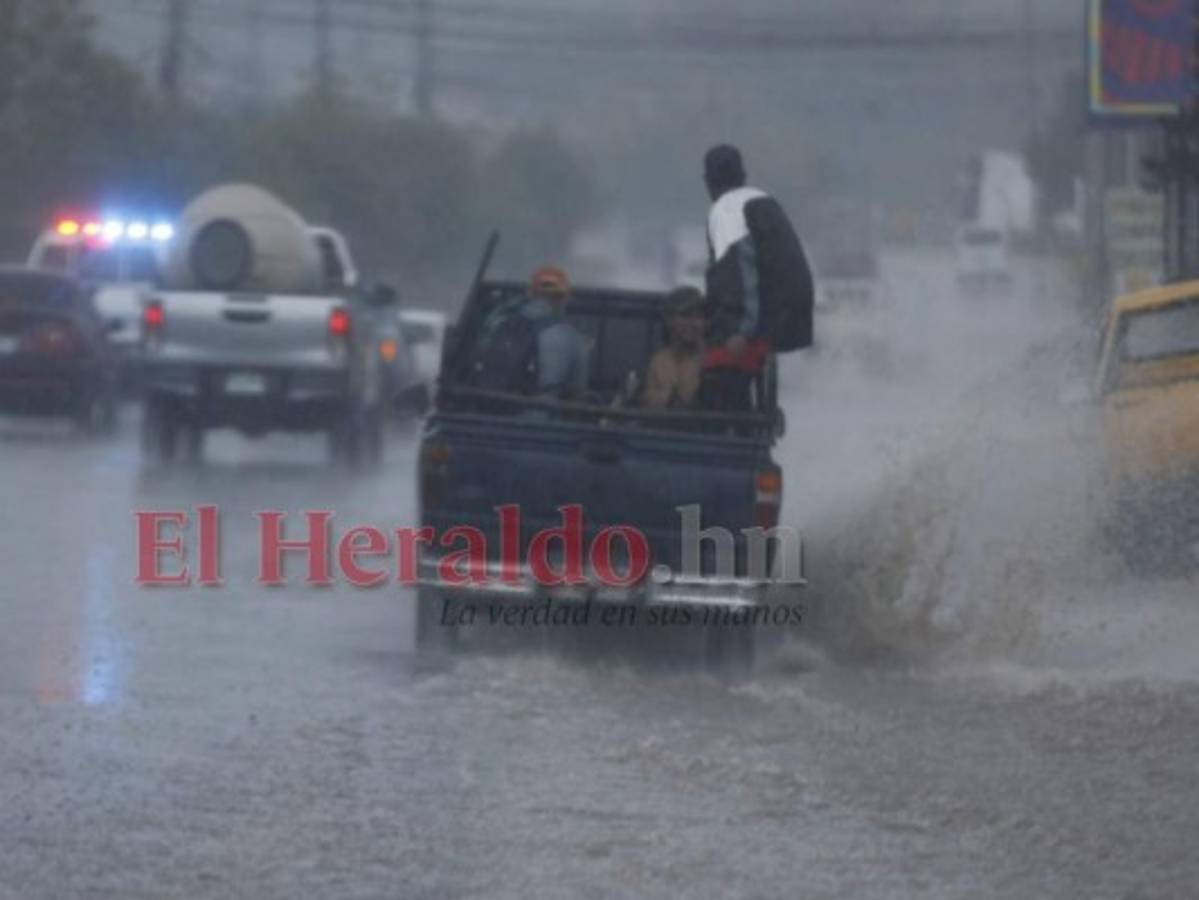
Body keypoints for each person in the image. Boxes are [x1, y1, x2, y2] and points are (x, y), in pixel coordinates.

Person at [700, 144, 814, 411]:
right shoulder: (759, 202)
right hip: (784, 319)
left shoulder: (729, 211)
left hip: (759, 325)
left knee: (720, 385)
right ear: (743, 176)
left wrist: (741, 330)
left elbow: (742, 277)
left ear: (707, 182)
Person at [472, 265, 590, 399]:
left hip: (490, 412)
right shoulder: (572, 338)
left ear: (529, 292)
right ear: (565, 298)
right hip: (542, 418)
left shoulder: (497, 323)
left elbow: (477, 360)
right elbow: (578, 391)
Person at [642, 286, 706, 409]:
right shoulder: (658, 361)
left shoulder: (709, 361)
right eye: (687, 315)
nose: (696, 323)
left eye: (700, 317)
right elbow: (648, 402)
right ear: (668, 320)